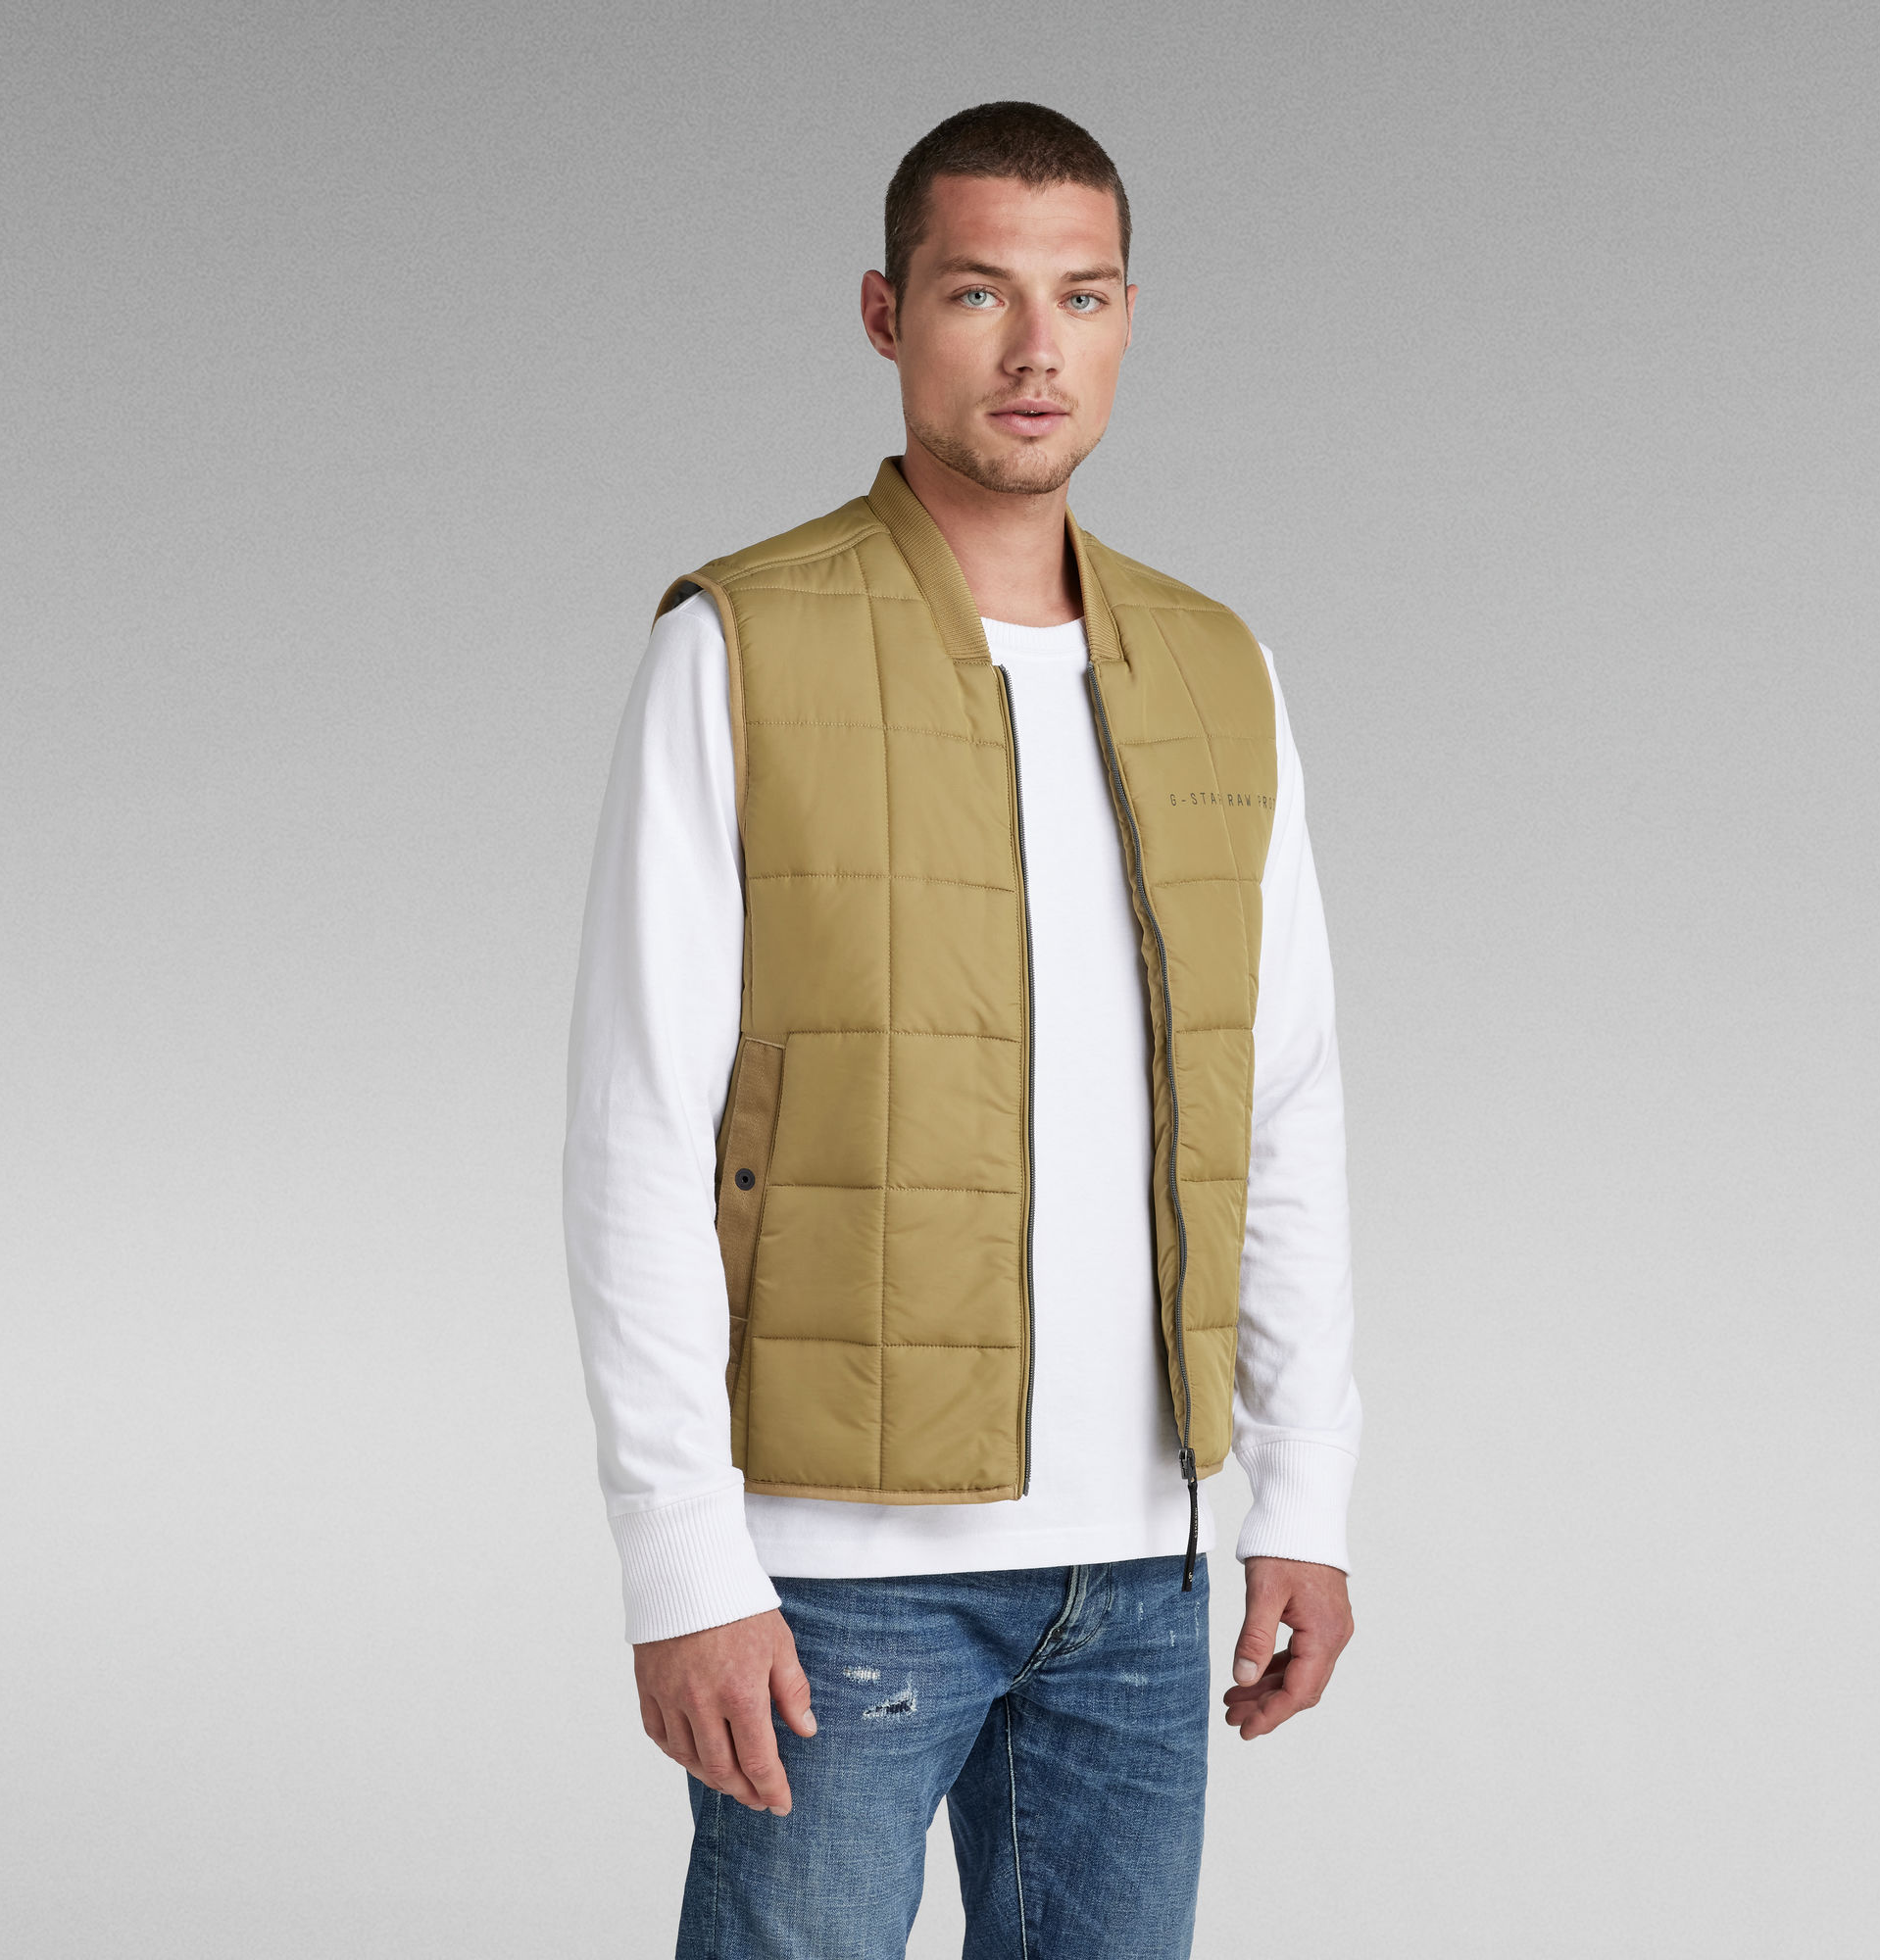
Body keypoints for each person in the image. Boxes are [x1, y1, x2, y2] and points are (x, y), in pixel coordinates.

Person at [564, 99, 1361, 1959]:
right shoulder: (741, 643)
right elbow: (637, 1129)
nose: (1032, 351)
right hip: (837, 1585)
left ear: (1129, 319)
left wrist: (1304, 1498)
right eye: (977, 292)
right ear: (886, 312)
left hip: (1145, 1575)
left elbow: (1283, 1107)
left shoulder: (1218, 669)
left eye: (1079, 296)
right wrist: (682, 1555)